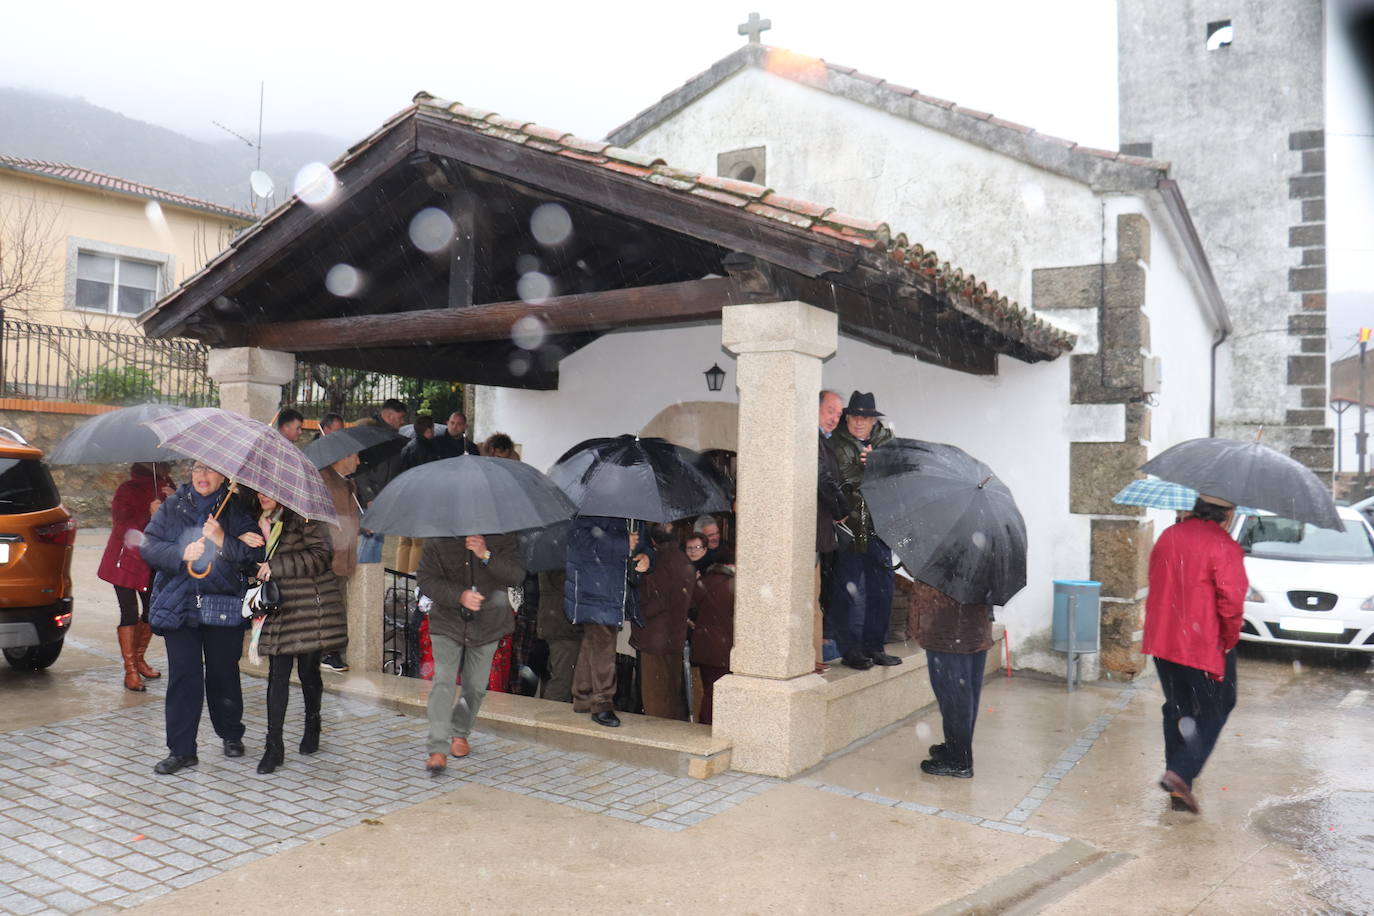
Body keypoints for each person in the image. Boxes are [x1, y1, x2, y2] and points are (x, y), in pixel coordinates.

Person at [140, 464, 264, 775]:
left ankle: (231, 733)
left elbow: (252, 560)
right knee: (184, 677)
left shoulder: (235, 510)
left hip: (222, 605)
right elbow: (149, 547)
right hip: (180, 605)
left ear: (224, 477)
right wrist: (181, 552)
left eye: (210, 470)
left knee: (223, 672)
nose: (202, 475)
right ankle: (181, 751)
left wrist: (223, 538)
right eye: (197, 468)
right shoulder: (172, 506)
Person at [1142, 494, 1247, 814]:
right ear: (1227, 513)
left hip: (1164, 640)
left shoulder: (1170, 535)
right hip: (1201, 644)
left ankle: (1177, 789)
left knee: (1178, 707)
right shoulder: (1225, 547)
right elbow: (1231, 605)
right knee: (1217, 707)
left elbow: (1158, 581)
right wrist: (1228, 642)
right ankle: (1181, 772)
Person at [251, 492, 346, 774]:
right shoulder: (255, 520)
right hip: (277, 607)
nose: (261, 495)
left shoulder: (305, 516)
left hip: (308, 609)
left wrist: (275, 565)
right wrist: (250, 542)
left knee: (308, 672)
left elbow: (321, 555)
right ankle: (273, 745)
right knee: (276, 676)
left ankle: (312, 720)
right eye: (258, 490)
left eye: (268, 491)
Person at [416, 531, 525, 772]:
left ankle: (460, 732)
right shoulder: (439, 536)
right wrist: (460, 595)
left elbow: (516, 575)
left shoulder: (503, 535)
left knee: (475, 686)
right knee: (443, 681)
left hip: (489, 621)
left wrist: (485, 554)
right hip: (447, 619)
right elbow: (426, 578)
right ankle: (437, 747)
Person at [827, 391, 900, 670]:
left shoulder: (887, 442)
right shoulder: (836, 442)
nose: (859, 422)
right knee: (848, 590)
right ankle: (850, 650)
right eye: (855, 416)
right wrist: (868, 469)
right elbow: (841, 479)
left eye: (865, 417)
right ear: (848, 417)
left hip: (880, 524)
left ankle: (875, 646)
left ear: (873, 420)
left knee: (883, 589)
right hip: (850, 523)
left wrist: (879, 465)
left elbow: (899, 476)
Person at [564, 515, 655, 728]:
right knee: (603, 639)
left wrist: (647, 558)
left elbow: (645, 546)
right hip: (593, 587)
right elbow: (579, 540)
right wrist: (622, 543)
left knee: (595, 640)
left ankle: (583, 695)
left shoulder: (635, 514)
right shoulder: (593, 506)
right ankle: (602, 703)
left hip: (615, 588)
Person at [99, 462, 175, 692]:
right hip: (124, 561)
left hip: (151, 562)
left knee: (152, 610)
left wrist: (174, 504)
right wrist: (149, 516)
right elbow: (122, 527)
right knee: (129, 611)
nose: (166, 469)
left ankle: (139, 659)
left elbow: (176, 528)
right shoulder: (127, 489)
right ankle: (130, 669)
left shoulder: (169, 488)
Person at [911, 580, 994, 779]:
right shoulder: (983, 554)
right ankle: (956, 747)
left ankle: (959, 760)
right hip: (973, 629)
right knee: (966, 695)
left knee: (955, 698)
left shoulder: (950, 553)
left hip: (950, 633)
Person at [631, 523, 696, 720]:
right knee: (671, 694)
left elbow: (657, 600)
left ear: (652, 540)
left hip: (654, 638)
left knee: (655, 699)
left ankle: (659, 740)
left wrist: (637, 611)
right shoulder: (683, 560)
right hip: (674, 637)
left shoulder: (659, 562)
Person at [816, 390, 847, 674]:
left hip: (821, 531)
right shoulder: (814, 441)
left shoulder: (826, 442)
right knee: (814, 598)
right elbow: (824, 481)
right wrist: (842, 510)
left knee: (820, 597)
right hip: (816, 531)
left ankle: (816, 651)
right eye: (830, 411)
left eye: (838, 414)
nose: (835, 419)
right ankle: (813, 653)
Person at [691, 548, 735, 725]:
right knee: (722, 693)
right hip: (725, 649)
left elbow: (690, 607)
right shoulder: (734, 585)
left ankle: (706, 723)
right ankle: (716, 726)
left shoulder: (703, 581)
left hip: (704, 647)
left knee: (709, 690)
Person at [396, 415, 442, 574]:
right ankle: (411, 579)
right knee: (418, 543)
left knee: (404, 542)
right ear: (429, 430)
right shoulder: (430, 449)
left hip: (405, 499)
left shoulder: (408, 447)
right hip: (421, 500)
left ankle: (400, 577)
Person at [536, 569, 580, 702]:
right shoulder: (556, 551)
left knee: (561, 678)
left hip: (560, 621)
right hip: (562, 623)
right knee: (562, 682)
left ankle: (550, 718)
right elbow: (563, 580)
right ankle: (549, 720)